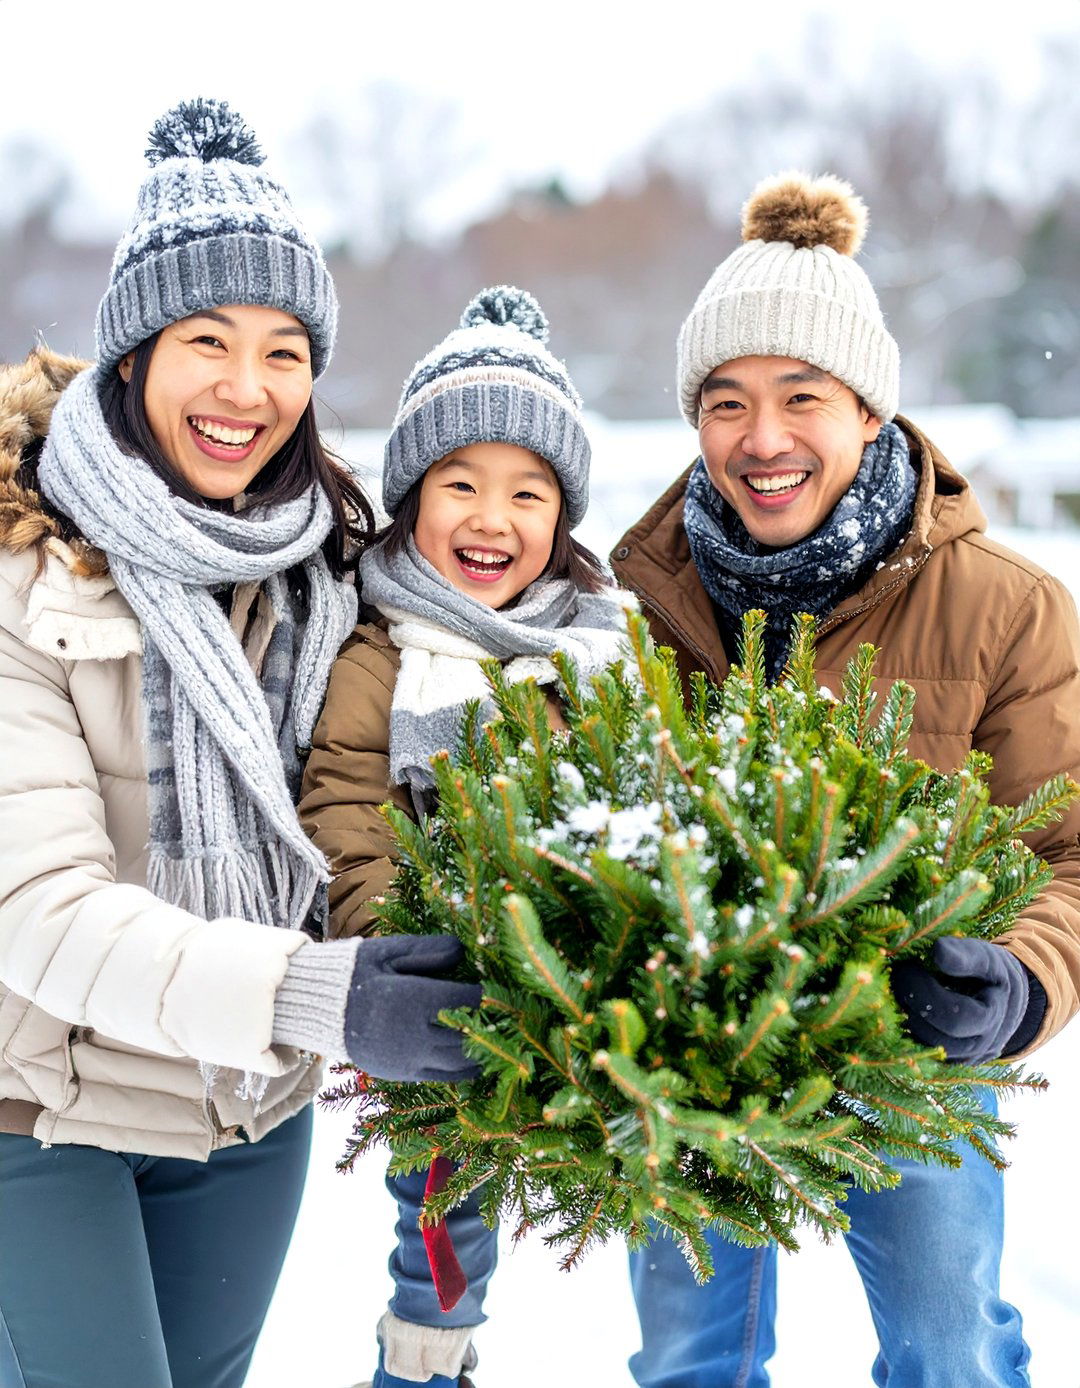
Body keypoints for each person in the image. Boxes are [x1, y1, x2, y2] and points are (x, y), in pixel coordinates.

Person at [0, 99, 479, 1388]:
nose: (247, 387)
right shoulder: (20, 576)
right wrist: (322, 993)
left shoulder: (326, 577)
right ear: (133, 359)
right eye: (207, 339)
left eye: (284, 349)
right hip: (32, 1106)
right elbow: (36, 910)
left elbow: (398, 775)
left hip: (240, 1104)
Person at [609, 171, 1080, 1388]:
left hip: (910, 1049)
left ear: (869, 411)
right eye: (726, 402)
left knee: (948, 1346)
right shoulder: (639, 608)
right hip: (684, 1047)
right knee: (685, 1358)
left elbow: (1070, 848)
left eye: (801, 396)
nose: (761, 440)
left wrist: (1017, 982)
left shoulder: (1008, 610)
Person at [299, 285, 632, 1388]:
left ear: (562, 514)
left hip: (590, 996)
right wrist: (403, 949)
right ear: (412, 498)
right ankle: (422, 1365)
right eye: (462, 484)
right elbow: (348, 818)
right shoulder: (380, 655)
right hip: (448, 1003)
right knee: (444, 1228)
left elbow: (647, 786)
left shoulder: (593, 645)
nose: (494, 517)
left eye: (527, 491)